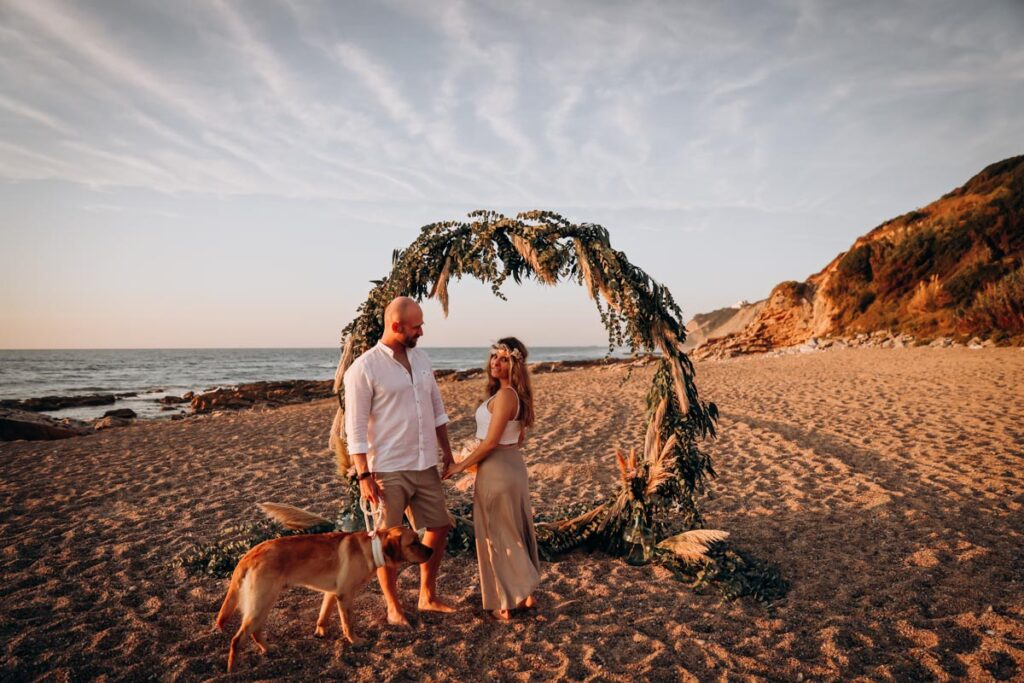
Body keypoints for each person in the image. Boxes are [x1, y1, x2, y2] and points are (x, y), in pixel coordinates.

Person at [344, 296, 456, 625]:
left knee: (440, 526)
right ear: (396, 326)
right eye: (416, 326)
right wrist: (364, 475)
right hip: (387, 470)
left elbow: (437, 409)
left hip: (424, 463)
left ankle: (427, 595)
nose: (421, 331)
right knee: (387, 542)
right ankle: (393, 606)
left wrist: (447, 454)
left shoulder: (421, 359)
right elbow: (355, 429)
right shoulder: (363, 369)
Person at [443, 337, 540, 619]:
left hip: (497, 469)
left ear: (515, 365)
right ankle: (525, 596)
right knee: (512, 529)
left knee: (497, 534)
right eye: (494, 357)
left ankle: (506, 603)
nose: (496, 363)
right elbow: (517, 438)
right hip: (512, 467)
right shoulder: (515, 397)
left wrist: (460, 466)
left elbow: (490, 443)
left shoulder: (507, 396)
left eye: (504, 359)